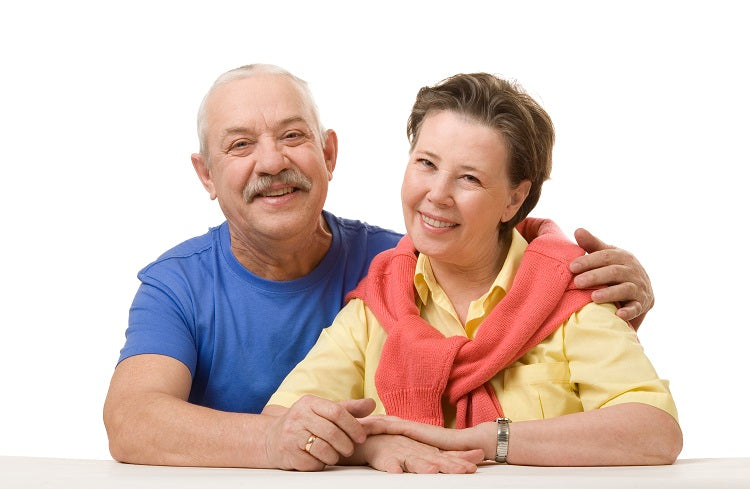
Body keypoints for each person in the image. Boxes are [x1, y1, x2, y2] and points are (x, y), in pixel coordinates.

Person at [103, 64, 658, 471]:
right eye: (241, 144)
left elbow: (507, 264)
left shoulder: (411, 257)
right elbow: (133, 422)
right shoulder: (181, 283)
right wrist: (341, 444)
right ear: (205, 174)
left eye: (293, 136)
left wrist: (607, 285)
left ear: (329, 155)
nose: (271, 161)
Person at [264, 73, 681, 473]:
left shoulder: (571, 291)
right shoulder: (380, 302)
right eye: (426, 163)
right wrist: (370, 445)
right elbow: (283, 422)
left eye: (469, 177)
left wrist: (489, 441)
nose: (437, 195)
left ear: (514, 200)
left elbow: (655, 431)